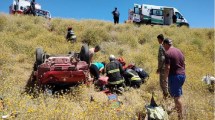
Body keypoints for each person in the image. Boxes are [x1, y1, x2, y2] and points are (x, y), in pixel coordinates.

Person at [163, 38, 186, 120]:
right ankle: (178, 109)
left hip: (175, 76)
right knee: (177, 95)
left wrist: (165, 78)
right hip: (182, 75)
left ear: (166, 44)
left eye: (163, 45)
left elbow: (167, 67)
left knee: (177, 98)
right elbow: (184, 63)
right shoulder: (179, 51)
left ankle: (181, 117)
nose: (163, 47)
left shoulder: (167, 53)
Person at [156, 34, 169, 99]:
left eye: (158, 40)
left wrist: (159, 68)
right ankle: (168, 94)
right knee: (167, 80)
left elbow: (162, 58)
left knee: (162, 82)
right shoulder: (167, 46)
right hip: (168, 66)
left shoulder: (161, 46)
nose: (158, 41)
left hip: (163, 67)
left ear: (160, 39)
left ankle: (166, 95)